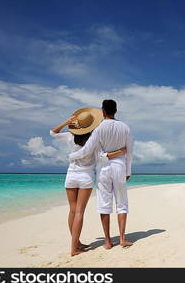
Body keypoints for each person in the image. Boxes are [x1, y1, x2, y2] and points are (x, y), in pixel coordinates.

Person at [51, 108, 126, 256]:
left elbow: (53, 133)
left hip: (70, 175)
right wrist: (120, 152)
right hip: (85, 177)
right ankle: (74, 249)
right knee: (79, 212)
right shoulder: (94, 139)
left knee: (72, 211)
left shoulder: (69, 136)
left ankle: (76, 242)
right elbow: (103, 157)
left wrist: (67, 122)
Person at [69, 100, 134, 249]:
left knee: (104, 204)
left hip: (103, 169)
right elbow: (129, 152)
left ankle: (107, 241)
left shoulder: (98, 128)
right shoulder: (125, 127)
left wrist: (72, 157)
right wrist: (128, 171)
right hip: (120, 167)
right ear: (115, 111)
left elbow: (87, 150)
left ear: (103, 111)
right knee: (121, 203)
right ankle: (123, 239)